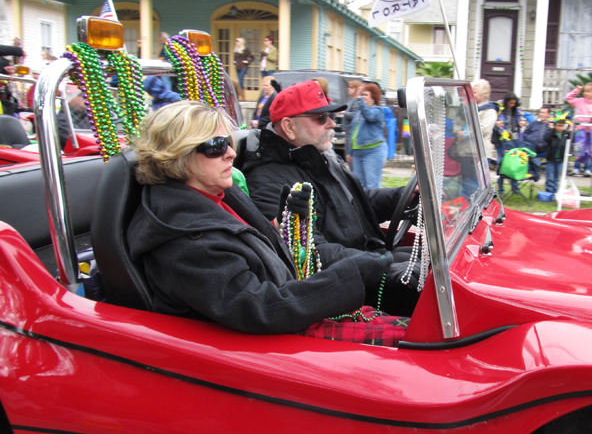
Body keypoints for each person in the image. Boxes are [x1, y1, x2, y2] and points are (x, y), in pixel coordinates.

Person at [126, 100, 400, 340]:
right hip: (267, 340)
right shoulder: (186, 239)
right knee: (418, 345)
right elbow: (259, 308)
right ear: (179, 155)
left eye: (229, 142)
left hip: (293, 315)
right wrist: (349, 273)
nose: (231, 153)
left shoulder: (222, 195)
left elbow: (251, 249)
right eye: (216, 146)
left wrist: (289, 223)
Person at [240, 80, 419, 314]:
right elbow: (307, 249)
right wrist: (381, 265)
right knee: (422, 283)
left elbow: (355, 203)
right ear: (289, 126)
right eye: (321, 118)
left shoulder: (321, 157)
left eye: (330, 116)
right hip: (340, 284)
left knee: (430, 262)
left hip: (362, 259)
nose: (332, 123)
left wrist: (403, 196)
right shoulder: (270, 179)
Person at [350, 83, 387, 189]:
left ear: (373, 97)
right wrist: (349, 151)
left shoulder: (377, 111)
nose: (363, 97)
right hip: (357, 152)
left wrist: (360, 100)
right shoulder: (359, 113)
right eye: (362, 95)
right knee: (359, 185)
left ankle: (374, 206)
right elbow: (353, 131)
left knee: (372, 186)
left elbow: (369, 116)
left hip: (372, 151)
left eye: (365, 95)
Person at [565, 83, 592, 177]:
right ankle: (576, 167)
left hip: (591, 129)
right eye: (585, 91)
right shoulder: (580, 101)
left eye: (588, 91)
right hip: (579, 128)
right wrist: (577, 90)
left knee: (589, 148)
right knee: (579, 146)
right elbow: (568, 98)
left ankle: (588, 168)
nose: (586, 93)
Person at [494, 92, 526, 194]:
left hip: (514, 140)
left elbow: (521, 120)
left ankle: (515, 188)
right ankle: (501, 188)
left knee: (514, 163)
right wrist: (497, 123)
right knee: (502, 163)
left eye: (514, 103)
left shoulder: (516, 111)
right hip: (502, 141)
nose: (512, 105)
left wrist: (521, 123)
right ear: (506, 102)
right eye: (510, 103)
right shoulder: (499, 109)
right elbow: (494, 124)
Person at [472, 79, 498, 165]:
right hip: (468, 151)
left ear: (484, 94)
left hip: (482, 152)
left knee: (478, 178)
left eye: (474, 92)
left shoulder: (490, 110)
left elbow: (483, 129)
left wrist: (464, 133)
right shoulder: (470, 108)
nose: (472, 95)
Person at [543, 118, 570, 194]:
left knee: (557, 177)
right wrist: (552, 130)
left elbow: (571, 140)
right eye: (558, 125)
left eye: (562, 126)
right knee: (550, 177)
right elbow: (546, 138)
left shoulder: (566, 134)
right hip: (551, 159)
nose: (560, 128)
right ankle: (549, 191)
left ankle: (555, 191)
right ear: (555, 126)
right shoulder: (551, 133)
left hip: (561, 159)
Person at [342, 79, 363, 166]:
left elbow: (356, 115)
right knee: (348, 155)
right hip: (347, 131)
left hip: (352, 131)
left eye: (351, 87)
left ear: (357, 89)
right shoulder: (350, 100)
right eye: (348, 87)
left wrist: (344, 113)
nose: (349, 89)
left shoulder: (357, 101)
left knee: (351, 157)